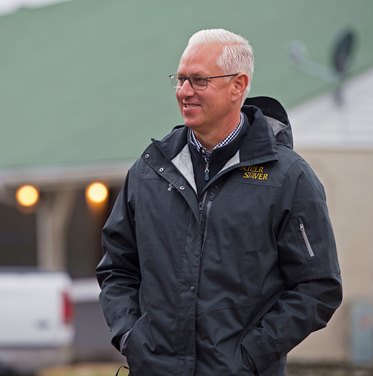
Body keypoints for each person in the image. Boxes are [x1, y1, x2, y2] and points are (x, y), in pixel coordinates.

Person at [96, 28, 342, 376]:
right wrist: (130, 337)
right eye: (180, 79)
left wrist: (249, 358)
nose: (184, 92)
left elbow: (319, 286)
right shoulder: (150, 170)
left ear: (238, 85)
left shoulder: (288, 178)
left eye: (198, 81)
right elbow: (117, 268)